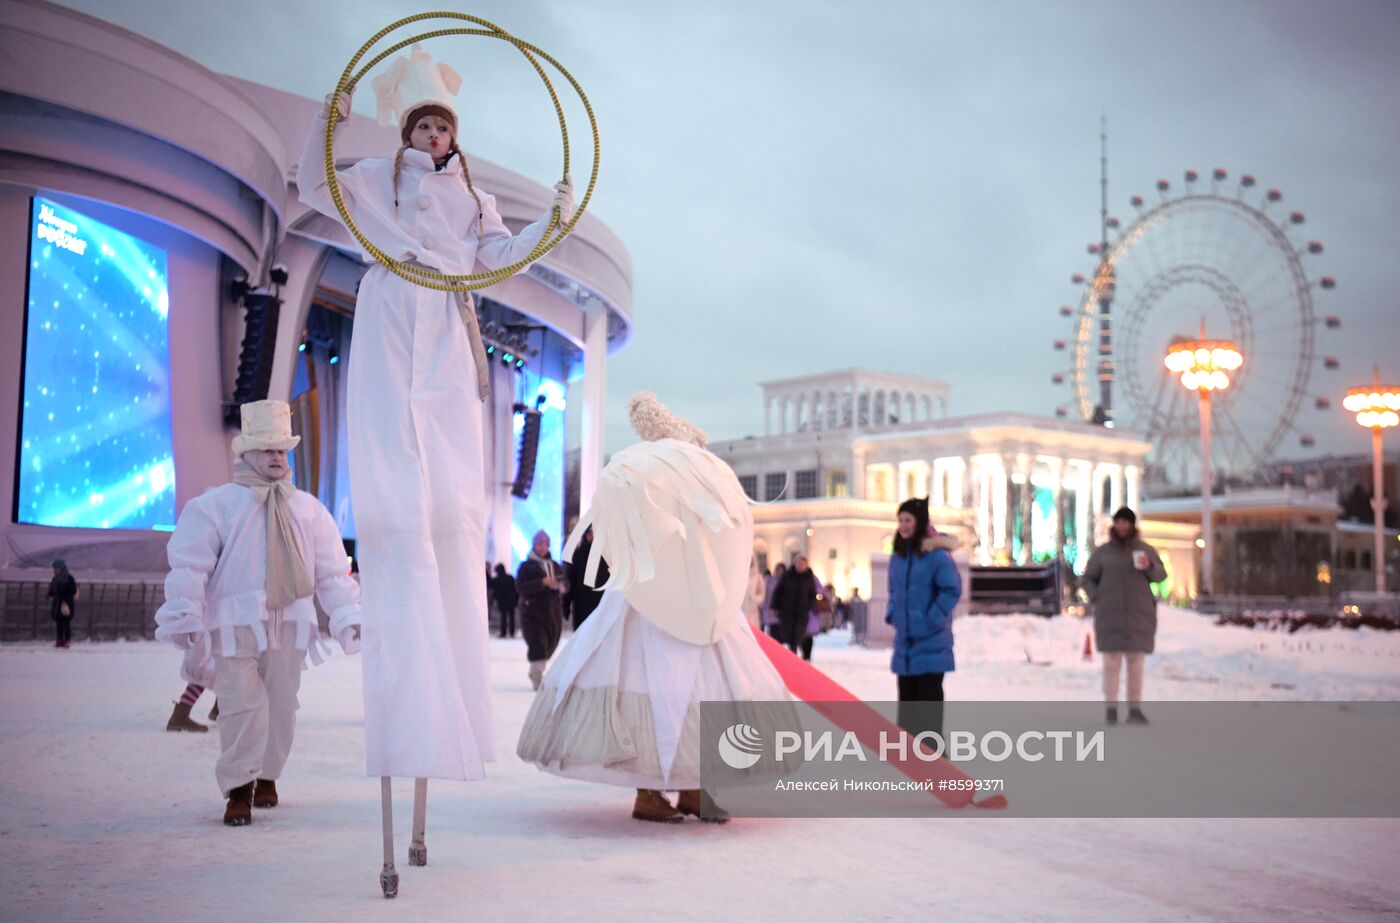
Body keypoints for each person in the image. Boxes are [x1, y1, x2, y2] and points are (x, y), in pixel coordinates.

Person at [297, 45, 572, 794]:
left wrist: (551, 218)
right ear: (408, 132)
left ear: (454, 135)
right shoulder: (371, 184)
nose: (432, 139)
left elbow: (503, 256)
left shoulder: (475, 201)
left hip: (448, 327)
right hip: (390, 314)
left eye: (442, 129)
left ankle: (451, 669)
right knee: (393, 474)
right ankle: (398, 632)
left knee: (450, 493)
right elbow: (310, 179)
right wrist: (335, 113)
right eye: (421, 127)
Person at [517, 393, 794, 823]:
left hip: (680, 597)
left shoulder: (657, 473)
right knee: (671, 682)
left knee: (669, 683)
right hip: (654, 597)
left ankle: (687, 787)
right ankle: (662, 790)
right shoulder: (669, 474)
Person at [153, 400, 362, 826]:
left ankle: (267, 775)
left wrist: (346, 616)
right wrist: (184, 613)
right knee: (240, 705)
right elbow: (190, 564)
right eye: (267, 449)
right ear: (246, 452)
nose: (276, 457)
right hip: (234, 626)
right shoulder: (215, 506)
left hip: (290, 624)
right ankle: (238, 788)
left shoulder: (307, 509)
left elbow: (332, 572)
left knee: (282, 705)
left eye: (282, 450)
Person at [1080, 506, 1167, 725]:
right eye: (1118, 522)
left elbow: (1160, 575)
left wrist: (1150, 566)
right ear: (1114, 524)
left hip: (1139, 616)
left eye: (1126, 522)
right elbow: (1087, 578)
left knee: (1136, 664)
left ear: (1132, 525)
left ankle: (1134, 708)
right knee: (1111, 664)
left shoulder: (1145, 550)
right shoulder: (1103, 553)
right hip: (1110, 616)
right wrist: (1096, 596)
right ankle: (1111, 708)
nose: (1122, 526)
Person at [886, 498, 960, 750]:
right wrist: (892, 613)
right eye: (900, 520)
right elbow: (893, 591)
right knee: (907, 700)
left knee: (927, 701)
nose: (903, 525)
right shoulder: (898, 556)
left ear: (920, 522)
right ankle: (907, 753)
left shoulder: (937, 557)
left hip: (931, 639)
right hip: (905, 641)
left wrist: (931, 618)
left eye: (908, 520)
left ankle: (932, 753)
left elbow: (951, 589)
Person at [518, 530, 566, 690]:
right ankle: (536, 674)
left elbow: (565, 583)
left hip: (552, 613)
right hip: (533, 613)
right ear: (534, 545)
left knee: (550, 644)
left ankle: (538, 670)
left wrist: (561, 587)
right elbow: (521, 587)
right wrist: (542, 582)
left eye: (545, 544)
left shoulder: (555, 565)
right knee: (538, 643)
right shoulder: (526, 567)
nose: (543, 547)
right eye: (540, 544)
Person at [769, 555, 818, 656]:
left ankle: (794, 652)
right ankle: (792, 653)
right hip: (787, 611)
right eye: (798, 563)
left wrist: (808, 605)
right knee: (788, 635)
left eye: (802, 564)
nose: (800, 566)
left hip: (802, 612)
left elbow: (812, 594)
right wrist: (774, 606)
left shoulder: (808, 578)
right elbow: (778, 591)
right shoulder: (787, 576)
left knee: (798, 635)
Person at [568, 526, 608, 630]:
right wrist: (566, 605)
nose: (593, 536)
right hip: (582, 604)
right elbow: (571, 580)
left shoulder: (606, 555)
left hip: (601, 604)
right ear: (585, 535)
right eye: (590, 533)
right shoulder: (577, 554)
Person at [47, 559, 77, 649]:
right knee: (59, 623)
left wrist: (64, 597)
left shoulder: (69, 578)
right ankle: (59, 640)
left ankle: (67, 640)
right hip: (57, 603)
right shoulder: (55, 579)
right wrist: (49, 594)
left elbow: (73, 590)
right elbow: (53, 590)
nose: (55, 570)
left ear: (62, 569)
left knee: (66, 623)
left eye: (57, 569)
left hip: (66, 604)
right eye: (54, 569)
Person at [492, 563, 518, 639]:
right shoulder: (510, 578)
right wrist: (516, 599)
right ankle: (512, 632)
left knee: (503, 617)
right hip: (511, 600)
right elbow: (515, 589)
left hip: (502, 601)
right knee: (511, 617)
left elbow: (495, 591)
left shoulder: (496, 580)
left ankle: (503, 633)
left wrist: (496, 599)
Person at [762, 563, 786, 639]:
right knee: (773, 630)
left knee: (779, 631)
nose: (780, 572)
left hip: (782, 610)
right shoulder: (769, 579)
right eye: (778, 569)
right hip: (771, 608)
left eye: (781, 570)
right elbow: (765, 593)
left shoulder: (787, 580)